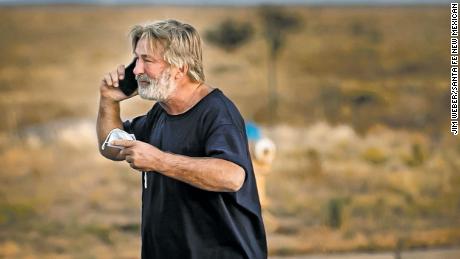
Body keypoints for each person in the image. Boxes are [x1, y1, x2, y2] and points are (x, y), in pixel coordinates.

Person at [96, 19, 267, 259]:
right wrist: (109, 101)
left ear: (181, 68)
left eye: (148, 60)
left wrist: (159, 161)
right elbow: (112, 147)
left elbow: (232, 176)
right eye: (136, 59)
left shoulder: (217, 113)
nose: (136, 71)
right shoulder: (161, 112)